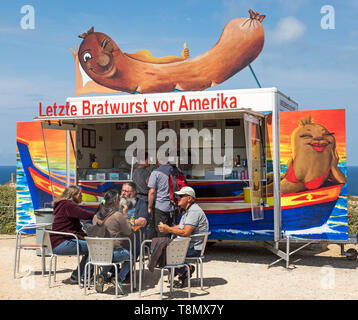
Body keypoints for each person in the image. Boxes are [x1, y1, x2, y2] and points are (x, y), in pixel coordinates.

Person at [158, 186, 209, 287]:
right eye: (178, 196)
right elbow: (181, 226)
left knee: (162, 251)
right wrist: (168, 227)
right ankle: (184, 270)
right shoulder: (188, 210)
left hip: (193, 248)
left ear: (189, 198)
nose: (178, 198)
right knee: (158, 248)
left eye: (181, 196)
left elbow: (186, 232)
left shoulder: (193, 211)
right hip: (187, 245)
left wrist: (168, 229)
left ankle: (184, 270)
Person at [50, 185, 95, 285]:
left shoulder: (63, 205)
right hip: (63, 243)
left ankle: (76, 276)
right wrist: (98, 215)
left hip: (57, 242)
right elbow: (84, 214)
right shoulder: (68, 205)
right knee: (95, 247)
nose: (81, 196)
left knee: (91, 247)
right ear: (73, 195)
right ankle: (86, 278)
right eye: (79, 194)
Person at [91, 189, 133, 295]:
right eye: (119, 199)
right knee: (130, 257)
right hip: (112, 254)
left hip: (96, 254)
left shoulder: (96, 216)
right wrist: (125, 214)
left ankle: (102, 275)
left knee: (109, 255)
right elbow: (128, 231)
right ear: (115, 201)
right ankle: (119, 278)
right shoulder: (117, 215)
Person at [147, 160, 175, 237]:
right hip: (174, 207)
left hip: (161, 207)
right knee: (172, 230)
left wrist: (149, 207)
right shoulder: (176, 170)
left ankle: (162, 248)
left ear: (159, 160)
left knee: (161, 231)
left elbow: (152, 191)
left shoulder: (156, 172)